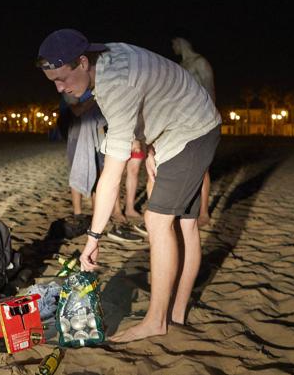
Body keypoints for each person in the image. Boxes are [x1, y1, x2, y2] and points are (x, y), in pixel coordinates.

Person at [37, 29, 221, 342]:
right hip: (195, 125)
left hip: (189, 132)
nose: (60, 87)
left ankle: (156, 320)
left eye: (63, 78)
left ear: (82, 62)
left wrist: (93, 238)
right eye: (53, 81)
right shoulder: (107, 56)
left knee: (157, 220)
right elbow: (154, 90)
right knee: (186, 226)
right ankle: (174, 314)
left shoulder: (115, 84)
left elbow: (112, 174)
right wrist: (150, 147)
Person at [62, 91, 142, 243]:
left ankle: (97, 215)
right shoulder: (72, 87)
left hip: (100, 134)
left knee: (100, 173)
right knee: (77, 171)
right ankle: (78, 214)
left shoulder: (95, 85)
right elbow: (77, 110)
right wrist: (96, 97)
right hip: (78, 134)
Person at [171, 36, 216, 228]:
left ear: (181, 42)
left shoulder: (199, 62)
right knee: (184, 164)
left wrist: (210, 120)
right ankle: (185, 207)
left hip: (201, 118)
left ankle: (204, 211)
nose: (173, 48)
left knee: (202, 167)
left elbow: (210, 89)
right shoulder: (181, 65)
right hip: (183, 120)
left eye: (173, 44)